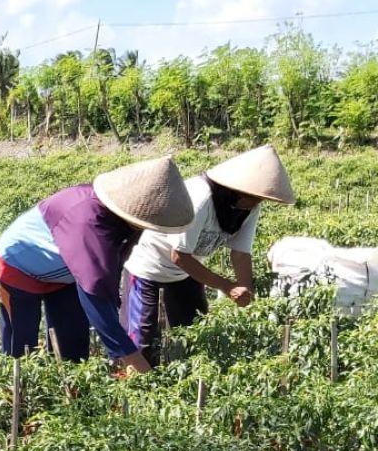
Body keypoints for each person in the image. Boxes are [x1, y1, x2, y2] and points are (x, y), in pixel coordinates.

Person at [0, 156, 194, 373]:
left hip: (67, 273)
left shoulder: (124, 221)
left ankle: (72, 399)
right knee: (21, 347)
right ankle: (17, 400)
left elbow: (112, 266)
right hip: (20, 265)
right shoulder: (88, 223)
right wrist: (132, 359)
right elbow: (96, 297)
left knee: (73, 344)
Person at [124, 144, 296, 364]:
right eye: (256, 197)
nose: (259, 203)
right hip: (148, 267)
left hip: (186, 272)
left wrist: (246, 293)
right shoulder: (201, 198)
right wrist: (227, 286)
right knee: (142, 342)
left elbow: (241, 254)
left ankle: (181, 385)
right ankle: (132, 388)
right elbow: (179, 255)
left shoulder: (249, 207)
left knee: (196, 333)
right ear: (239, 189)